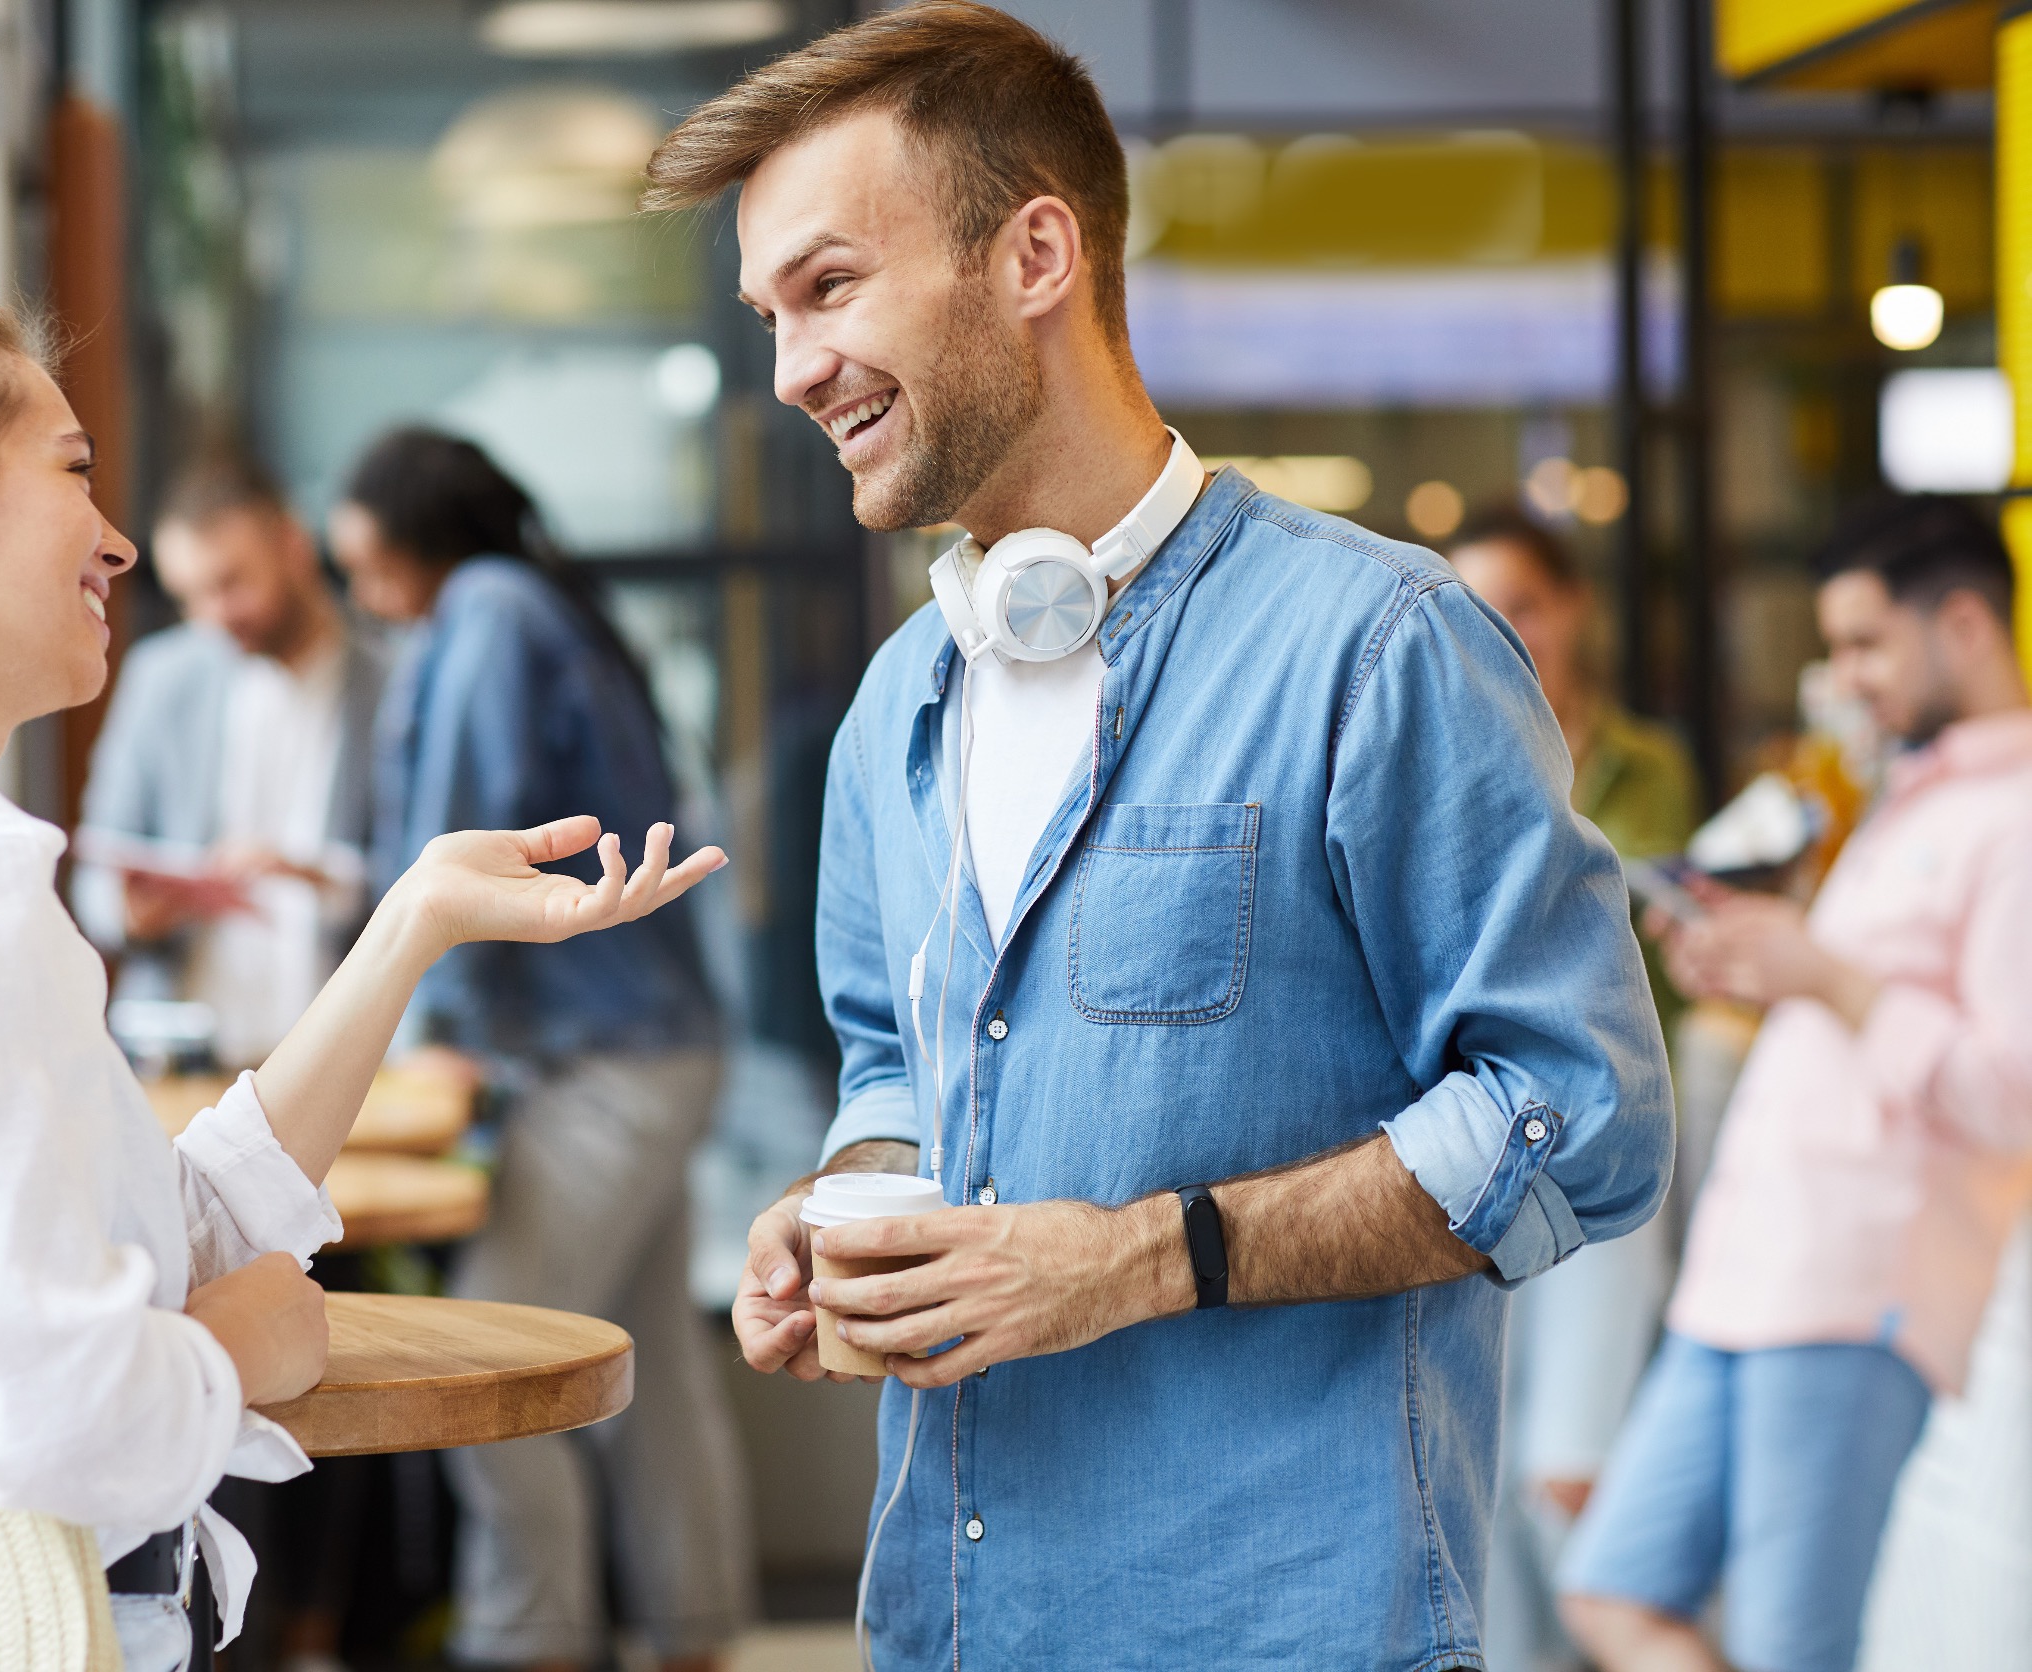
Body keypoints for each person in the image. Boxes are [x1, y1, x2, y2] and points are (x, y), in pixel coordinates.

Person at [644, 7, 1673, 1666]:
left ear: (1031, 252)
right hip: (952, 1617)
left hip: (1284, 1622)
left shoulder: (1378, 648)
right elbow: (895, 1070)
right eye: (769, 313)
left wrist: (1147, 1255)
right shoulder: (898, 707)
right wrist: (849, 1208)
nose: (787, 371)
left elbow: (1581, 1115)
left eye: (829, 285)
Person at [0, 296, 721, 1672]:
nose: (114, 539)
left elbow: (153, 1227)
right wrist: (247, 1341)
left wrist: (409, 925)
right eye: (71, 469)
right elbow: (76, 1426)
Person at [1557, 495, 2032, 1672]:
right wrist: (1777, 970)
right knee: (1610, 1591)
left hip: (1858, 1283)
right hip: (1746, 1279)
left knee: (1787, 1647)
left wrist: (1820, 970)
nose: (1844, 676)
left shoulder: (2015, 818)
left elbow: (2011, 1090)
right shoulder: (1905, 803)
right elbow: (1862, 1014)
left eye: (1866, 642)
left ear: (1964, 623)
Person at [330, 428, 750, 1672]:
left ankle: (532, 1648)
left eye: (363, 564)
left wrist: (440, 1030)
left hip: (605, 1058)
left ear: (416, 542)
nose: (360, 594)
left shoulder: (490, 611)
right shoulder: (532, 599)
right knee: (652, 1377)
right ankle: (693, 1641)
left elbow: (472, 830)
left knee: (490, 1374)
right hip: (649, 1044)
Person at [1447, 510, 1698, 1672]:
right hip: (1475, 1145)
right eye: (1478, 605)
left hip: (1601, 1135)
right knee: (1486, 1474)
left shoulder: (1648, 765)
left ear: (1572, 608)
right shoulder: (1440, 756)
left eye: (1526, 602)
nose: (1505, 629)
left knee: (1570, 1471)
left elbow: (1641, 959)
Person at [74, 451, 387, 1070]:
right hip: (180, 1058)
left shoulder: (392, 683)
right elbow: (94, 884)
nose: (213, 617)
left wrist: (317, 877)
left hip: (347, 1056)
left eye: (230, 584)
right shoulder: (161, 678)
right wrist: (131, 911)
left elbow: (419, 871)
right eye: (191, 597)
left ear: (292, 545)